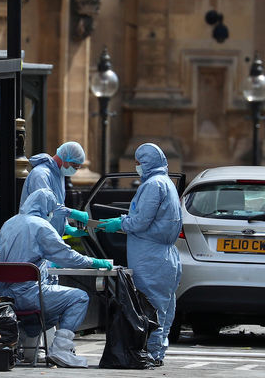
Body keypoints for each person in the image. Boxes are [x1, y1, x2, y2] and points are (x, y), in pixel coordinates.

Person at [0, 188, 113, 368]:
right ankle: (61, 349)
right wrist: (94, 262)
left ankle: (24, 347)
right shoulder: (41, 226)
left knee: (48, 305)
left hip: (4, 299)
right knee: (79, 298)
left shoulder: (9, 223)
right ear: (46, 208)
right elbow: (66, 256)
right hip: (29, 296)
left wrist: (46, 264)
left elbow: (21, 255)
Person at [96, 143, 182, 366]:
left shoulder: (153, 185)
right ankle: (157, 352)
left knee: (150, 305)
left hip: (150, 257)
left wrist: (120, 223)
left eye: (138, 162)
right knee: (163, 306)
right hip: (164, 256)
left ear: (147, 162)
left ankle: (151, 352)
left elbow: (141, 221)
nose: (136, 166)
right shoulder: (166, 183)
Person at [19, 141, 89, 238]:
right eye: (74, 165)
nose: (75, 170)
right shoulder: (41, 174)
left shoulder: (59, 175)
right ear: (64, 157)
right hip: (35, 236)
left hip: (48, 236)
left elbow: (58, 204)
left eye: (78, 167)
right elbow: (47, 206)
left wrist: (66, 227)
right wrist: (72, 213)